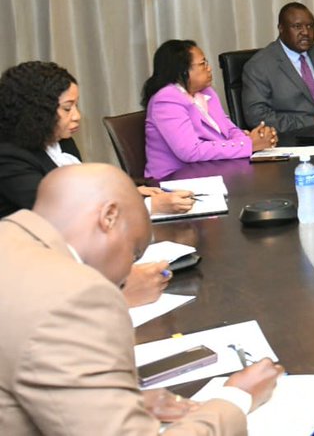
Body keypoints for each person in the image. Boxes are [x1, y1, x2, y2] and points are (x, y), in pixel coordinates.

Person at [0, 164, 283, 435]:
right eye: (135, 253)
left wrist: (112, 402)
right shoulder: (76, 296)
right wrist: (237, 398)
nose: (127, 271)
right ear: (108, 217)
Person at [0, 61, 192, 307]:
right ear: (37, 111)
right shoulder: (9, 157)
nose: (77, 116)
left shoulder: (59, 138)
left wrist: (127, 194)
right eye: (67, 108)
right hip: (33, 281)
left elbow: (82, 194)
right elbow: (64, 219)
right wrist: (145, 206)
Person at [143, 40, 277, 180]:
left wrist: (256, 139)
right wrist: (247, 145)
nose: (209, 68)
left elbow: (229, 130)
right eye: (203, 64)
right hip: (174, 180)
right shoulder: (166, 100)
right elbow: (191, 151)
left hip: (211, 171)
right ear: (182, 70)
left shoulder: (207, 92)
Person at [241, 2, 314, 133]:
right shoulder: (259, 65)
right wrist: (312, 122)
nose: (306, 32)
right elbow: (257, 117)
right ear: (281, 28)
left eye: (310, 26)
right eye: (297, 26)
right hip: (290, 140)